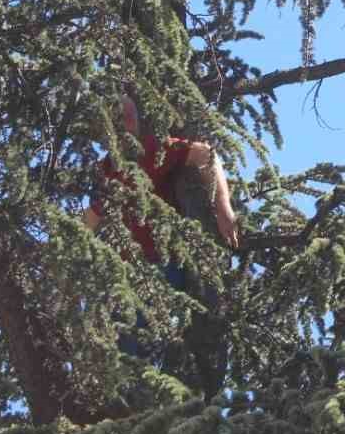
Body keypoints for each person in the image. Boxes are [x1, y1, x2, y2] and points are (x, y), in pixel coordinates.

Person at [84, 94, 238, 289]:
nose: (125, 122)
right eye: (117, 117)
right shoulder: (103, 170)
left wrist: (223, 206)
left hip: (162, 265)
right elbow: (92, 217)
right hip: (122, 274)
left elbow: (206, 154)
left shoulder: (151, 149)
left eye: (129, 115)